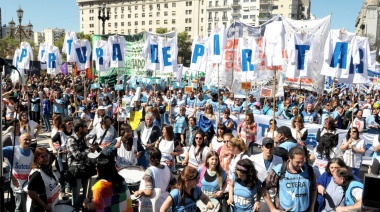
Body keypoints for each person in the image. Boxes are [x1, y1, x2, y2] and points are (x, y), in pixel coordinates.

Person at [262, 146, 317, 212]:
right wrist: (272, 209)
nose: (300, 165)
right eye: (297, 162)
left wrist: (312, 208)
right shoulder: (279, 170)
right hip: (284, 209)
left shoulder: (309, 170)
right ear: (290, 158)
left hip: (305, 209)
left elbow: (313, 189)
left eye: (302, 161)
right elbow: (263, 189)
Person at [66, 121, 98, 210]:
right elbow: (77, 155)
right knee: (76, 192)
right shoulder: (71, 139)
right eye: (85, 127)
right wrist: (90, 150)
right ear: (80, 128)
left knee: (87, 191)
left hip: (85, 167)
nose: (87, 128)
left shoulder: (83, 138)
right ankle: (75, 208)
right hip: (76, 168)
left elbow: (86, 150)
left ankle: (85, 207)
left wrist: (93, 149)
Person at [2, 133, 34, 212]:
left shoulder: (32, 151)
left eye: (29, 139)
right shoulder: (12, 150)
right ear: (19, 140)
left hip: (29, 183)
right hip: (17, 183)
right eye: (25, 139)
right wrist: (11, 175)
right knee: (20, 207)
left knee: (30, 205)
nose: (28, 141)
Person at [134, 147, 173, 212]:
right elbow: (173, 183)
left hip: (153, 206)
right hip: (165, 203)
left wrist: (139, 192)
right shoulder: (167, 168)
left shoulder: (149, 172)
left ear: (150, 158)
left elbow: (149, 192)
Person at [27, 147, 60, 212]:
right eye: (42, 156)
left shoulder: (47, 168)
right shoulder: (37, 173)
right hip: (39, 208)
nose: (46, 158)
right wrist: (44, 205)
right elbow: (31, 192)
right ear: (37, 158)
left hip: (50, 205)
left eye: (47, 155)